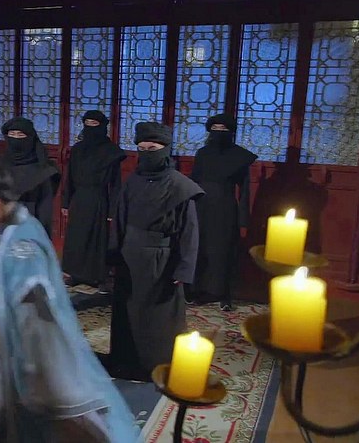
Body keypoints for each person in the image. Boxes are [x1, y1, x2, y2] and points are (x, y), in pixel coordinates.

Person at [0, 160, 140, 443]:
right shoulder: (17, 223)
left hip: (38, 366)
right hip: (14, 357)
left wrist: (36, 384)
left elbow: (36, 326)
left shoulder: (21, 251)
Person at [104, 122, 203, 382]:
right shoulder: (132, 182)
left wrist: (183, 269)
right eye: (142, 148)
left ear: (165, 149)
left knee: (159, 317)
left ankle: (157, 365)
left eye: (152, 148)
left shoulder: (181, 186)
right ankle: (126, 362)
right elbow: (120, 220)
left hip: (162, 262)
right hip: (130, 259)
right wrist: (113, 254)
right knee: (128, 314)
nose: (146, 153)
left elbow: (189, 232)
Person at [190, 113, 258, 311]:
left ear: (231, 132)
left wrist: (243, 219)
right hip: (201, 206)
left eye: (223, 129)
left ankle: (224, 294)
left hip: (225, 209)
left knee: (223, 251)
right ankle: (198, 291)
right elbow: (194, 180)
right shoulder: (202, 153)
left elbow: (244, 190)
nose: (219, 132)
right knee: (200, 248)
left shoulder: (240, 157)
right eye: (215, 129)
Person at [61, 110, 127, 289]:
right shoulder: (78, 149)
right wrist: (66, 202)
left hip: (99, 199)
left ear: (102, 126)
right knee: (76, 237)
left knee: (96, 238)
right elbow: (70, 178)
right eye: (87, 124)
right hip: (79, 199)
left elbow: (115, 184)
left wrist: (113, 209)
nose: (90, 127)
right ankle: (74, 273)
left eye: (94, 124)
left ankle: (96, 276)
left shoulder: (111, 152)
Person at [0, 117, 61, 236]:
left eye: (20, 135)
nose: (15, 139)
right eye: (12, 134)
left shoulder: (43, 171)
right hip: (2, 227)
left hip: (30, 228)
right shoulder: (1, 165)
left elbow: (45, 211)